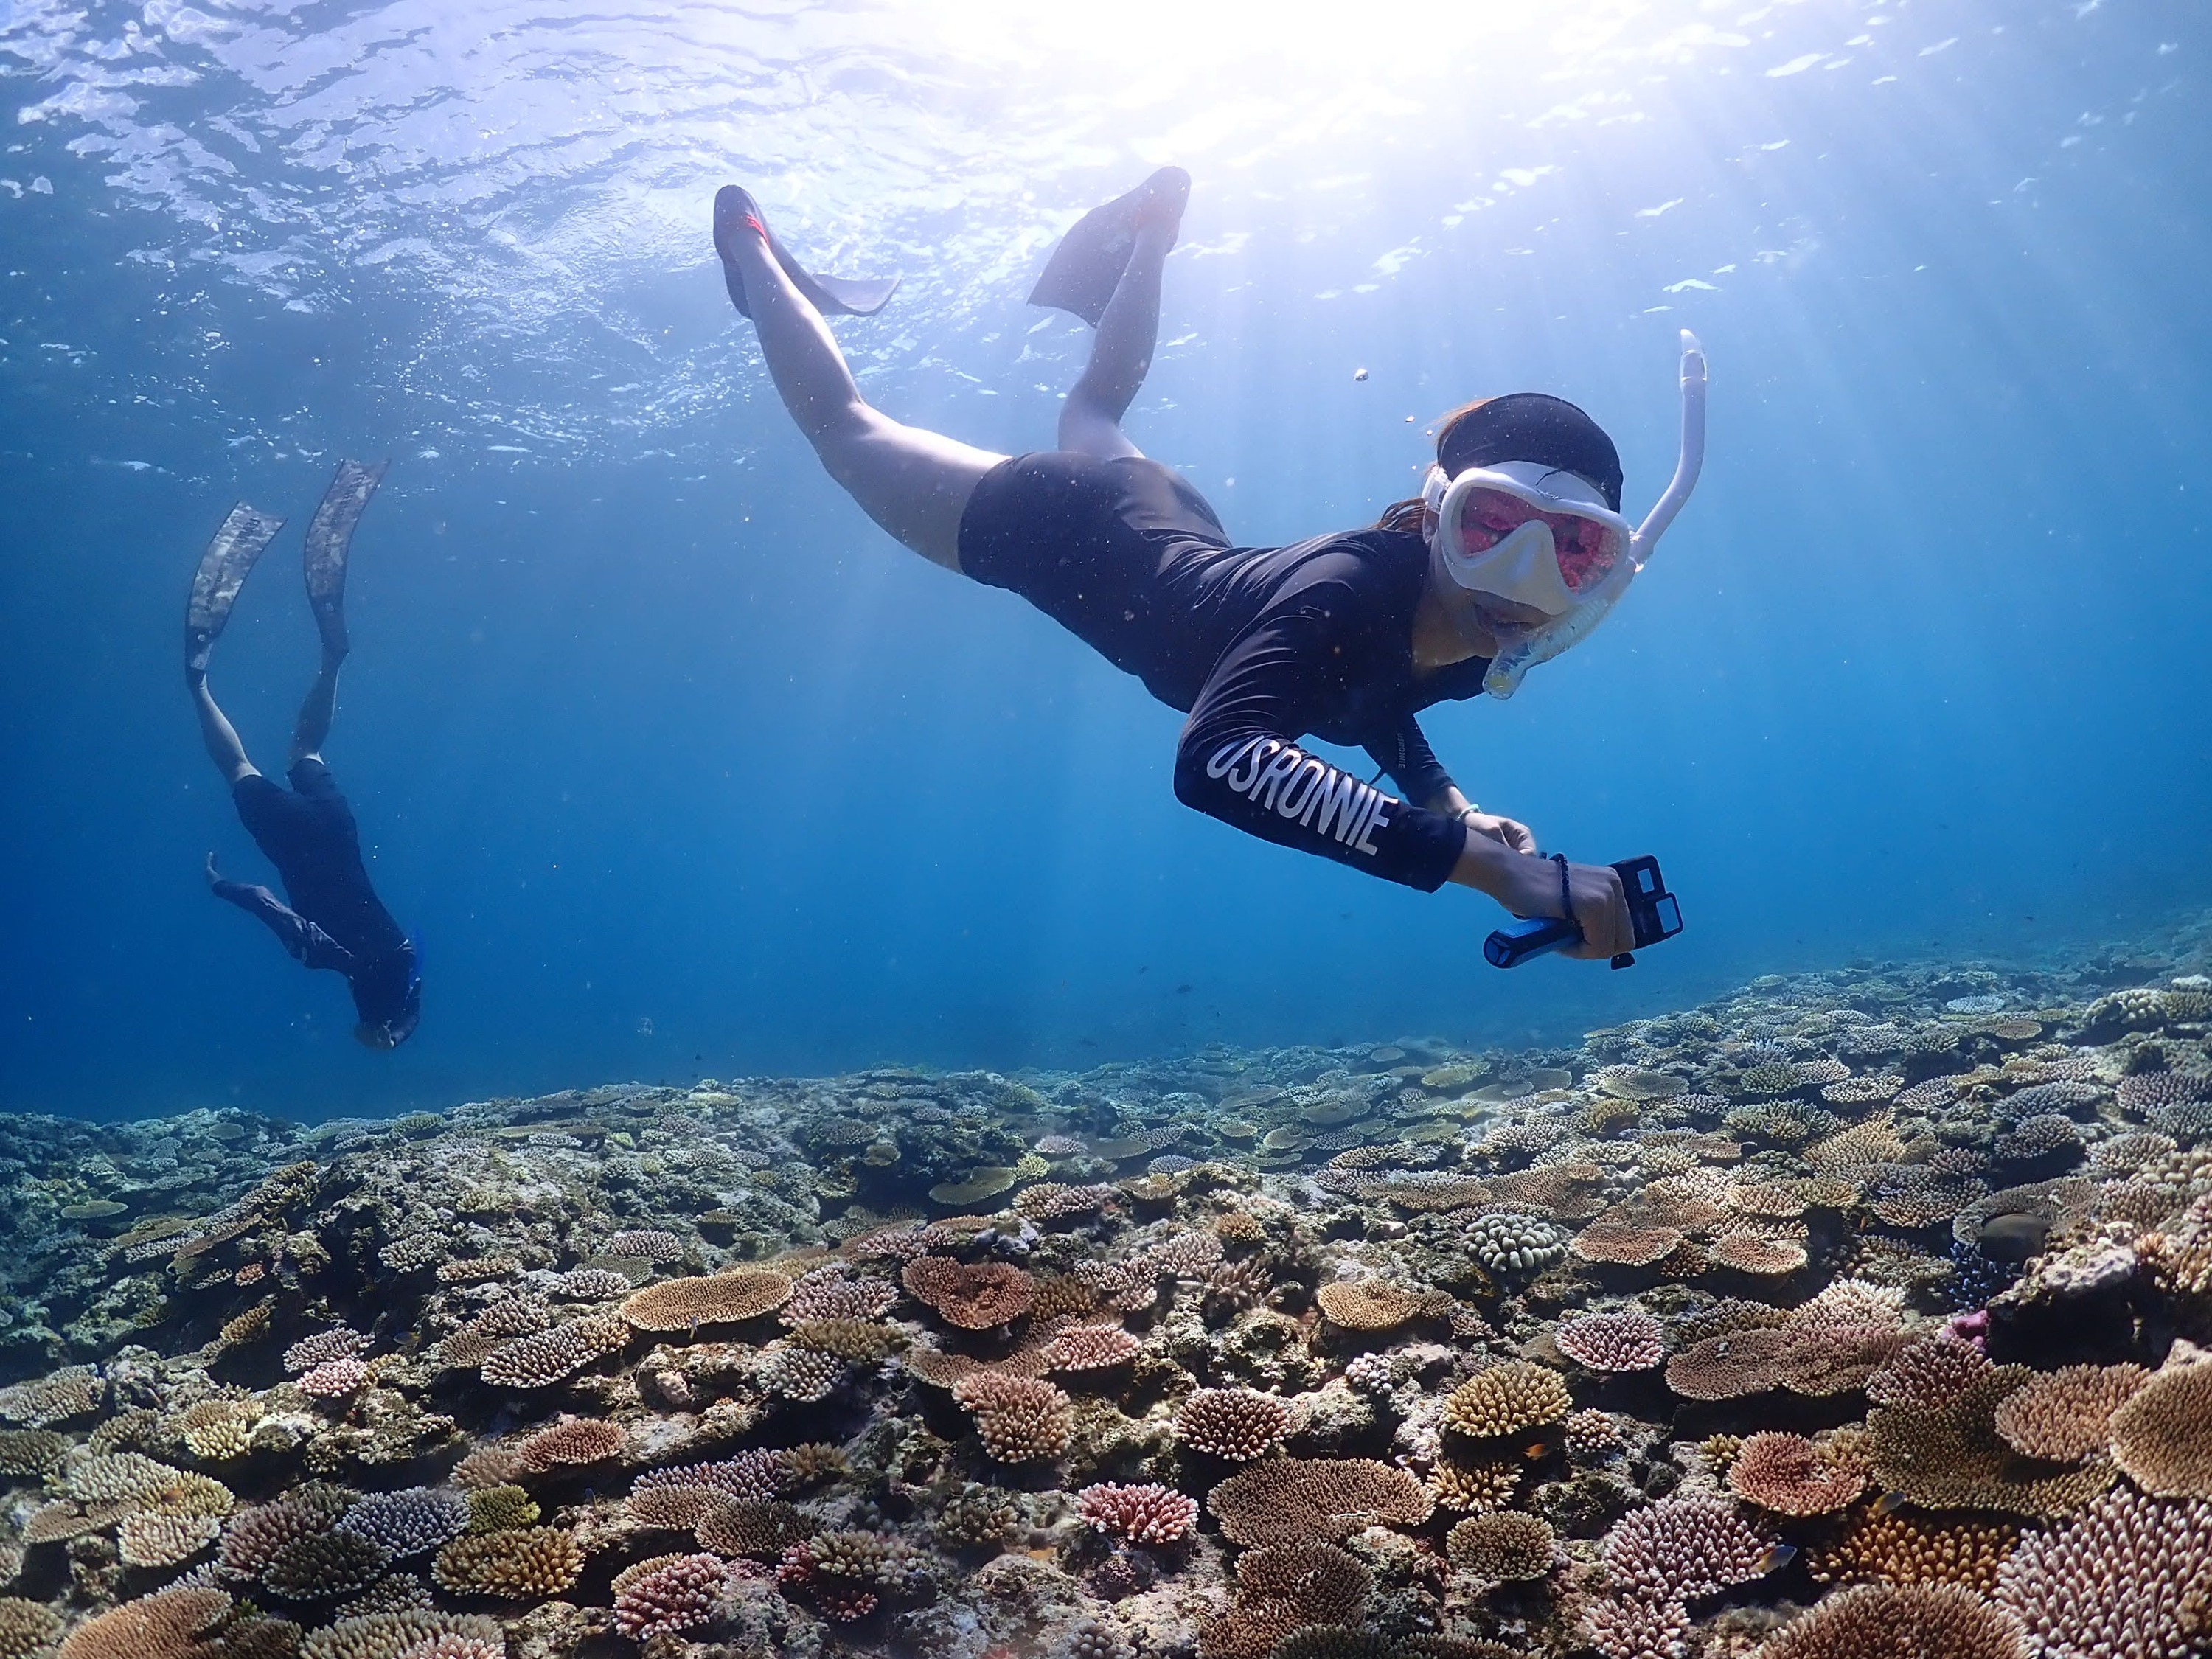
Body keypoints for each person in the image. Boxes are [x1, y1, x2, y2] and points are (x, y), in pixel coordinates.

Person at [709, 169, 1705, 960]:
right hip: (1061, 529)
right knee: (845, 430)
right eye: (1495, 526)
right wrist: (1487, 871)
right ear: (1436, 513)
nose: (1522, 583)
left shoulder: (1465, 625)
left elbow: (1364, 694)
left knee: (1094, 415)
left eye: (1574, 550)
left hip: (1171, 524)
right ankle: (751, 244)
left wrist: (1446, 802)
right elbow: (1220, 758)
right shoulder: (1354, 587)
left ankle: (1150, 227)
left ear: (1607, 571)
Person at [184, 460, 421, 1046]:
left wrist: (394, 1028)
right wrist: (220, 885)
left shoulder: (403, 955)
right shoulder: (329, 958)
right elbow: (267, 903)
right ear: (362, 1003)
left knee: (305, 747)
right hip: (293, 840)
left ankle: (332, 660)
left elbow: (408, 1005)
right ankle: (199, 685)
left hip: (338, 829)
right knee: (238, 766)